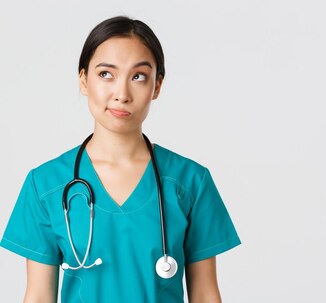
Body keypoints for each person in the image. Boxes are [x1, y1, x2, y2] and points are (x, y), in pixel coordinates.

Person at [0, 16, 241, 302]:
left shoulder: (190, 182)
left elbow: (205, 294)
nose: (122, 94)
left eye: (138, 76)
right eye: (106, 74)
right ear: (83, 80)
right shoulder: (45, 185)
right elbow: (39, 296)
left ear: (157, 86)